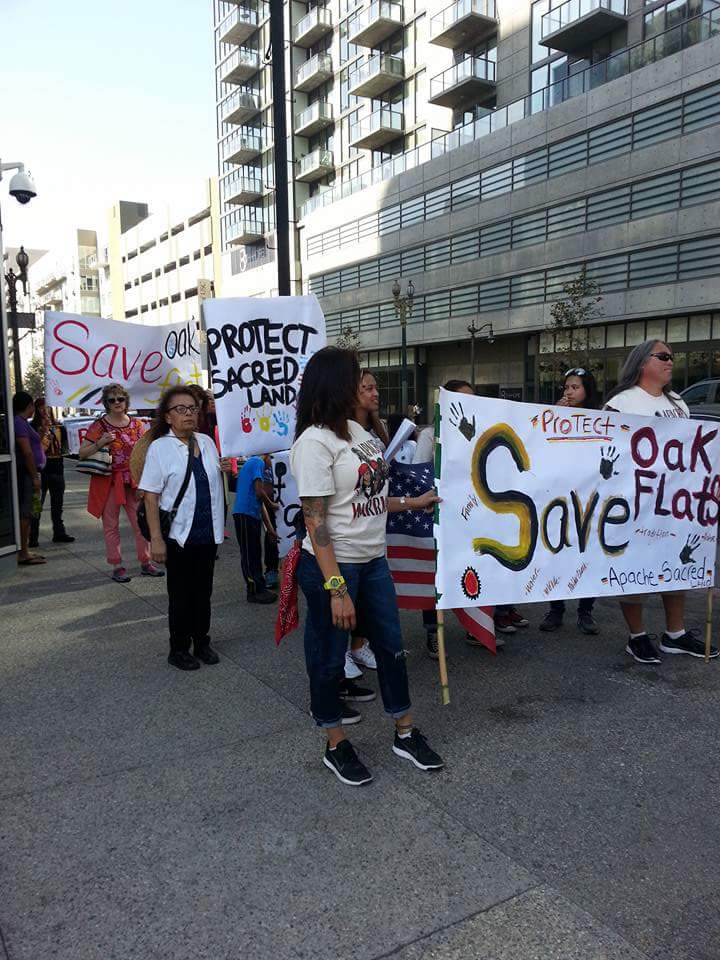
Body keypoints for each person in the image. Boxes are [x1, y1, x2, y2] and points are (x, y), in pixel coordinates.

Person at [291, 346, 444, 786]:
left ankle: (405, 732)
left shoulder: (360, 433)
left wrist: (412, 502)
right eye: (354, 376)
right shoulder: (314, 443)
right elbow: (316, 521)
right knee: (328, 657)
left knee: (392, 649)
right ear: (335, 383)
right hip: (333, 568)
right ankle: (335, 743)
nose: (362, 383)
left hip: (374, 561)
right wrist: (337, 589)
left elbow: (370, 498)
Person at [604, 339, 718, 662]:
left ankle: (675, 634)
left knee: (677, 563)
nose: (670, 361)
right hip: (636, 501)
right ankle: (637, 636)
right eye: (663, 356)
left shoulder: (678, 402)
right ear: (642, 362)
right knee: (634, 568)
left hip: (675, 502)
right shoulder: (621, 403)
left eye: (672, 357)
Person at [139, 387, 233, 670]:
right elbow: (150, 496)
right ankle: (178, 648)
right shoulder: (160, 448)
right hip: (178, 535)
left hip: (208, 532)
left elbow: (209, 479)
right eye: (181, 409)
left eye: (193, 408)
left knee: (203, 592)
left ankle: (202, 641)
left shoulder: (206, 441)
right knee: (181, 594)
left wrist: (223, 467)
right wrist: (156, 539)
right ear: (168, 417)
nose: (189, 414)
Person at [79, 383, 163, 583]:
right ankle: (117, 566)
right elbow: (82, 453)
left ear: (126, 401)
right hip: (109, 481)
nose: (117, 402)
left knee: (141, 523)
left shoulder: (137, 425)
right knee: (111, 525)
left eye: (120, 399)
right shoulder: (99, 426)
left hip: (134, 481)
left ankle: (146, 562)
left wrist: (146, 482)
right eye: (112, 399)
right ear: (106, 403)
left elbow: (145, 454)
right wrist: (100, 442)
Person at [539, 368, 601, 636]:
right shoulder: (555, 415)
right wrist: (554, 415)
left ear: (588, 390)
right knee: (558, 551)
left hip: (589, 497)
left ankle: (585, 611)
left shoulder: (601, 419)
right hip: (559, 496)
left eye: (575, 387)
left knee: (588, 552)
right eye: (566, 387)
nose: (569, 392)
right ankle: (556, 608)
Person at [233, 454, 279, 603]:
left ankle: (260, 587)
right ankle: (254, 590)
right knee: (249, 554)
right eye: (272, 459)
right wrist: (272, 504)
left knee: (255, 551)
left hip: (251, 514)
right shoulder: (257, 461)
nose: (271, 465)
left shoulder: (256, 464)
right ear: (266, 456)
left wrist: (270, 529)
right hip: (244, 513)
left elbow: (260, 504)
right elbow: (260, 492)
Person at [29, 398, 74, 547]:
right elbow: (34, 450)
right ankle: (32, 536)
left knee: (57, 505)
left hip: (57, 469)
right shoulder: (32, 427)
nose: (45, 411)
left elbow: (65, 448)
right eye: (41, 408)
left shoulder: (59, 427)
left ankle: (59, 532)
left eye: (47, 408)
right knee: (37, 505)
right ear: (36, 410)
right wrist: (43, 433)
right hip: (40, 471)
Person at [13, 391, 46, 566]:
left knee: (31, 511)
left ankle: (24, 549)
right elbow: (27, 452)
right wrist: (34, 477)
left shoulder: (23, 422)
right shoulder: (19, 423)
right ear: (29, 406)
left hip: (31, 473)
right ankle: (22, 553)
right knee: (26, 514)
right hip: (27, 474)